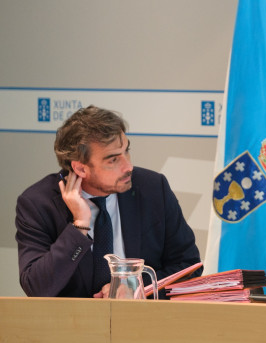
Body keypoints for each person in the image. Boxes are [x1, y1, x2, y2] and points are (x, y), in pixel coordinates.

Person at [15, 105, 201, 298]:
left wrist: (136, 288)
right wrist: (79, 227)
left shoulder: (153, 189)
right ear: (80, 169)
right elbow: (37, 288)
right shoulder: (38, 204)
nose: (128, 167)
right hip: (72, 324)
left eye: (126, 151)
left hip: (143, 321)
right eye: (113, 160)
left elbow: (189, 268)